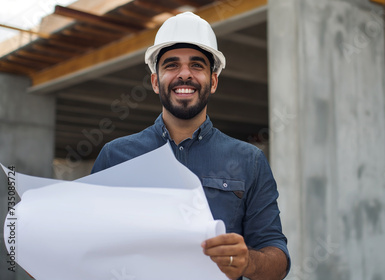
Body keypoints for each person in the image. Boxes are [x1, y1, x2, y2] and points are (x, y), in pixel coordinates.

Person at [91, 12, 289, 280]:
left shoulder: (249, 160)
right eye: (171, 65)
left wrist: (248, 262)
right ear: (155, 82)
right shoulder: (115, 156)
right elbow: (89, 244)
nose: (185, 74)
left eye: (197, 65)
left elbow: (277, 262)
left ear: (214, 81)